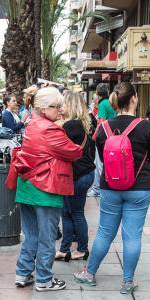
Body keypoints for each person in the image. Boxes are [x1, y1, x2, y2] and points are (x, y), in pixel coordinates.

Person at [73, 82, 150, 294]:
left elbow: (103, 158)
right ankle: (127, 282)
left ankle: (90, 274)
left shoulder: (103, 128)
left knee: (104, 232)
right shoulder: (146, 126)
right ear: (134, 99)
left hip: (110, 187)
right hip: (139, 188)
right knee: (132, 236)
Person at [9, 87, 82, 291]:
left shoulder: (32, 124)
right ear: (42, 108)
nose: (60, 109)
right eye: (56, 106)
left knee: (31, 235)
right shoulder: (51, 129)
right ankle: (44, 279)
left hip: (27, 186)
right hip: (45, 188)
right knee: (47, 236)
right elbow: (74, 152)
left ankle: (22, 273)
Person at [56, 90, 95, 261]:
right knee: (67, 211)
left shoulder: (71, 126)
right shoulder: (82, 123)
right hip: (82, 174)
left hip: (78, 176)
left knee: (76, 212)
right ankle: (65, 249)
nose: (60, 107)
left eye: (63, 104)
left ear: (71, 105)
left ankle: (82, 249)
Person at [89, 83, 116, 198]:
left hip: (103, 138)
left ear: (98, 94)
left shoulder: (103, 104)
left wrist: (93, 138)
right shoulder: (110, 103)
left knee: (98, 164)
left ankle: (97, 189)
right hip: (112, 137)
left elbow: (101, 123)